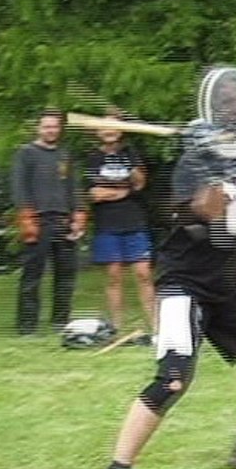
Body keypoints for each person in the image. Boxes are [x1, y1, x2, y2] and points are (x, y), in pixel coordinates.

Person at [95, 66, 236, 469]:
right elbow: (211, 222)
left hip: (225, 285)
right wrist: (216, 172)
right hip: (182, 286)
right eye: (225, 102)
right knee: (174, 378)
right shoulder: (192, 163)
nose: (233, 109)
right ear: (208, 106)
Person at [12, 109, 87, 336]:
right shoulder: (26, 153)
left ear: (59, 128)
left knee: (65, 275)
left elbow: (73, 187)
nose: (51, 130)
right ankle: (27, 326)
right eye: (46, 126)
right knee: (32, 275)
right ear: (39, 128)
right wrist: (27, 218)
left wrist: (79, 216)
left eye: (54, 126)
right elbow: (19, 188)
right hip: (38, 220)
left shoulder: (64, 155)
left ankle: (60, 322)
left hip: (63, 220)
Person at [84, 109, 156, 336]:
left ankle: (156, 327)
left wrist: (129, 162)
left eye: (113, 126)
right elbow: (94, 193)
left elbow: (140, 183)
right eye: (103, 126)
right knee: (114, 276)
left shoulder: (130, 153)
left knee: (144, 274)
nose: (109, 131)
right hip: (107, 224)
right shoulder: (93, 157)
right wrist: (122, 192)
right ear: (97, 131)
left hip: (135, 222)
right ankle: (116, 327)